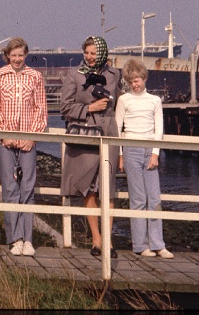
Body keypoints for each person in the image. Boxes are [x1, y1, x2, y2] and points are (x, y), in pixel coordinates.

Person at [60, 36, 122, 258]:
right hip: (87, 133)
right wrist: (89, 108)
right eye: (86, 53)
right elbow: (65, 108)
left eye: (94, 53)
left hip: (109, 133)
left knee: (108, 189)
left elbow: (120, 107)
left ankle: (109, 241)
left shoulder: (115, 75)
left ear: (103, 53)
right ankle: (96, 239)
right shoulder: (74, 76)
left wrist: (121, 147)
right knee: (89, 187)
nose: (89, 57)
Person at [0, 38, 47, 256]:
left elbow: (41, 108)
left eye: (20, 55)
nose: (17, 59)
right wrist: (4, 134)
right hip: (6, 140)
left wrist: (32, 136)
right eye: (13, 55)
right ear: (7, 56)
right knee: (10, 188)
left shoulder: (35, 77)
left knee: (27, 188)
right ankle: (15, 238)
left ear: (26, 54)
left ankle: (28, 239)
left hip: (28, 140)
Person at [116, 59, 174, 259]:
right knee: (138, 199)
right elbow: (118, 129)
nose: (135, 84)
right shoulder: (123, 100)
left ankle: (158, 244)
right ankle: (140, 245)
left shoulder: (154, 101)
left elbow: (159, 129)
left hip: (149, 150)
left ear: (144, 78)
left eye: (137, 80)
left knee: (154, 198)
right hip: (131, 149)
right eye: (131, 81)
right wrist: (120, 155)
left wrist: (156, 153)